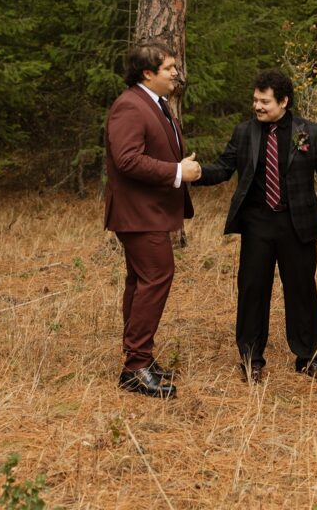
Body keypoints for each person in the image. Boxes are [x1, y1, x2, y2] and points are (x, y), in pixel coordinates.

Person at [194, 69, 317, 383]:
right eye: (255, 100)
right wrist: (196, 173)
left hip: (298, 225)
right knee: (252, 290)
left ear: (284, 101)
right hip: (257, 225)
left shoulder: (308, 131)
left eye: (264, 101)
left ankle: (308, 359)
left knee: (302, 291)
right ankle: (251, 359)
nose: (258, 106)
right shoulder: (244, 132)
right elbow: (224, 168)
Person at [104, 38, 201, 399]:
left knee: (141, 280)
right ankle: (135, 367)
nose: (176, 73)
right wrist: (177, 170)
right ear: (148, 73)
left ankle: (138, 356)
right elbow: (127, 159)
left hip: (149, 212)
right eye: (169, 68)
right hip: (138, 214)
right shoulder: (130, 106)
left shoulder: (157, 105)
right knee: (157, 276)